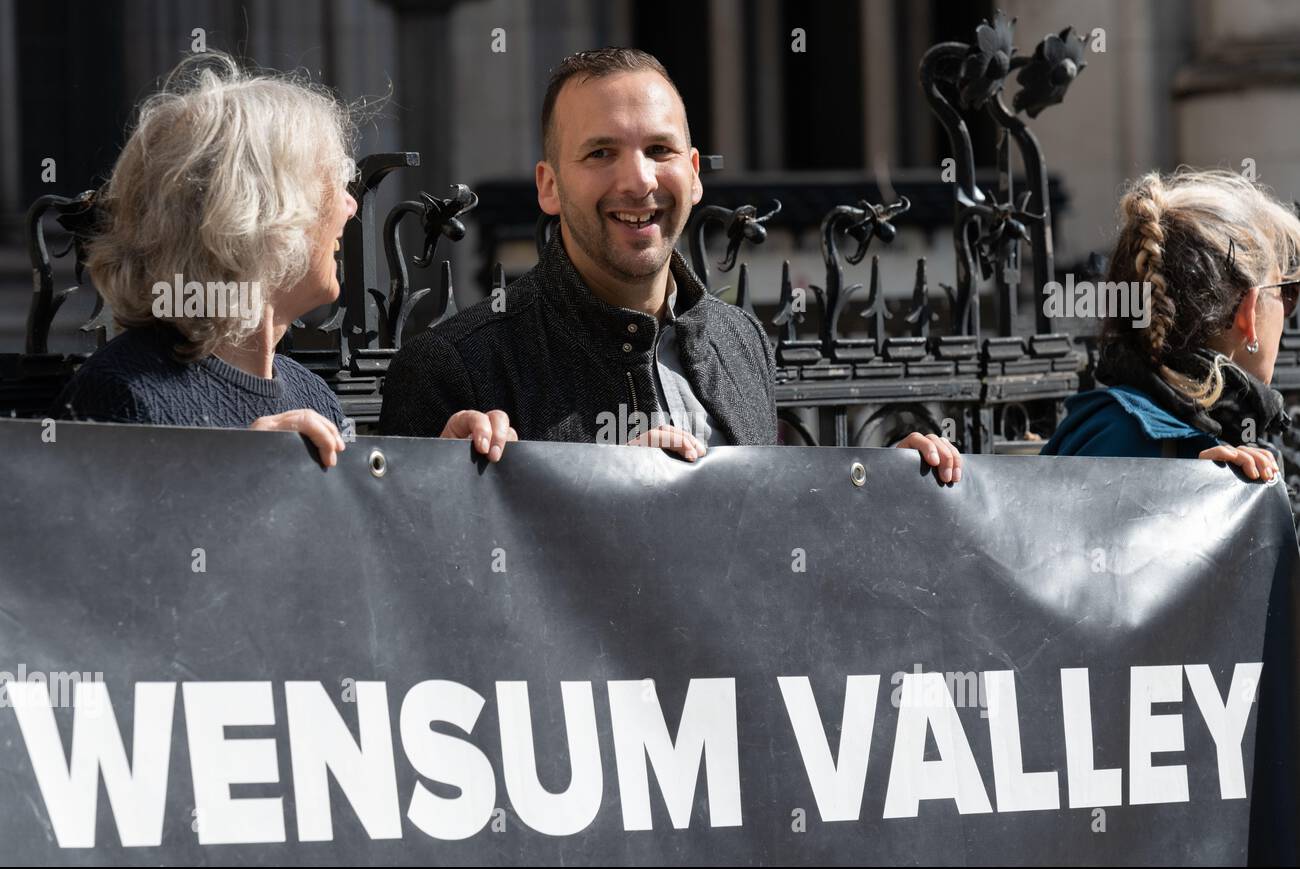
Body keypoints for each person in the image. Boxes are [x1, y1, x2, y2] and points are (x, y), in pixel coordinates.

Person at [380, 47, 962, 482]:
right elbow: (433, 597)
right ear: (549, 186)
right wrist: (615, 496)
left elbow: (776, 548)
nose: (638, 181)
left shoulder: (741, 341)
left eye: (659, 150)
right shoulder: (453, 368)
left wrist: (888, 489)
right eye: (601, 152)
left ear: (695, 172)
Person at [52, 52, 356, 468]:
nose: (350, 205)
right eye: (333, 181)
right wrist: (230, 472)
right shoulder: (122, 393)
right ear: (265, 213)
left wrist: (450, 468)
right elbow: (101, 532)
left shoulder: (312, 393)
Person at [1042, 168, 1300, 483]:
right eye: (1286, 291)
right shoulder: (1123, 435)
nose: (1288, 311)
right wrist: (1183, 489)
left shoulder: (1117, 426)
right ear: (1248, 313)